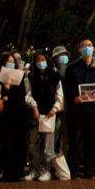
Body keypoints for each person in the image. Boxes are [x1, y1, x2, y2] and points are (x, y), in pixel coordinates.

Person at [63, 39, 95, 179]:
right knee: (75, 141)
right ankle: (75, 170)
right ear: (79, 49)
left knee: (91, 141)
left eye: (89, 46)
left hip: (93, 110)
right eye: (84, 46)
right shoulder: (72, 67)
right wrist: (74, 97)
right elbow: (66, 87)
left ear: (93, 48)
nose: (87, 48)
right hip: (76, 111)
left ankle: (89, 170)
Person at [0, 51, 34, 181]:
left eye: (12, 62)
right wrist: (4, 94)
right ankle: (4, 171)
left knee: (17, 143)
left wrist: (8, 96)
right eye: (8, 62)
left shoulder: (19, 77)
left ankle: (17, 172)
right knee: (5, 143)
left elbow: (21, 96)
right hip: (3, 116)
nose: (10, 64)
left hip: (17, 115)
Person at [26, 51, 63, 181]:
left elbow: (59, 96)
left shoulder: (55, 76)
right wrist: (34, 107)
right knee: (33, 144)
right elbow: (28, 94)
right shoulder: (30, 76)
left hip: (49, 114)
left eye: (43, 60)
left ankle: (47, 170)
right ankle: (35, 169)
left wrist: (55, 109)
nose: (41, 62)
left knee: (48, 145)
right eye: (38, 60)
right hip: (35, 114)